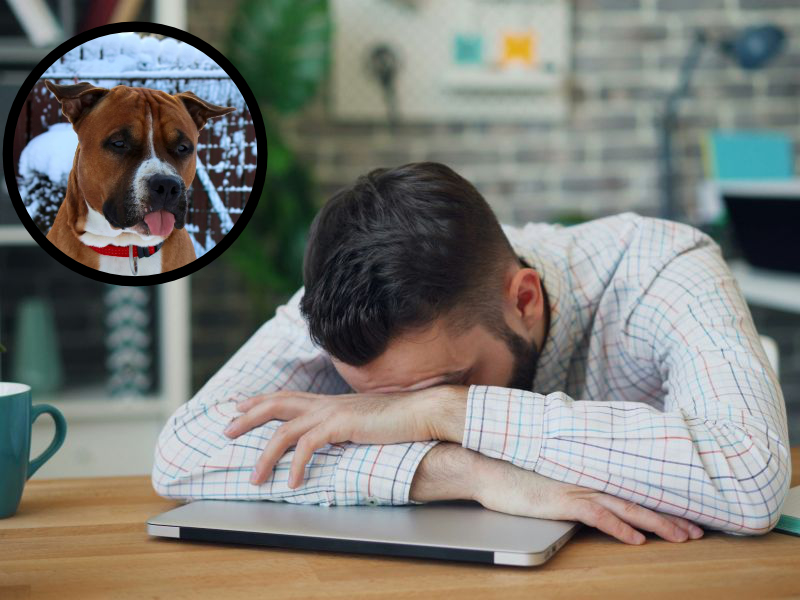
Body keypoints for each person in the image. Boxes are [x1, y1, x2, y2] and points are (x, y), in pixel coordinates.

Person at [152, 162, 790, 545]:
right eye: (379, 399)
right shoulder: (343, 302)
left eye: (439, 382)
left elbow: (751, 474)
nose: (392, 415)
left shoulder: (663, 266)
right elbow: (183, 454)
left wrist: (446, 412)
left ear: (525, 299)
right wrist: (461, 472)